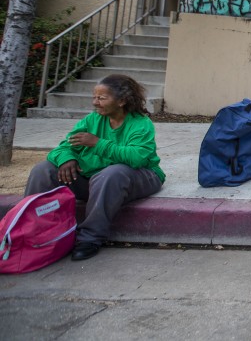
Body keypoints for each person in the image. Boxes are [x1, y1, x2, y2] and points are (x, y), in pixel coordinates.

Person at [25, 74, 165, 261]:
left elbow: (137, 158)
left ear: (122, 101)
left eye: (101, 98)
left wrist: (98, 143)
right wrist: (66, 159)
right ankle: (31, 231)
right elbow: (63, 147)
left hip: (140, 176)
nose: (95, 102)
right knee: (43, 170)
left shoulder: (140, 123)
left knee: (111, 174)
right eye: (94, 97)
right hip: (97, 181)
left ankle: (90, 238)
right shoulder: (92, 120)